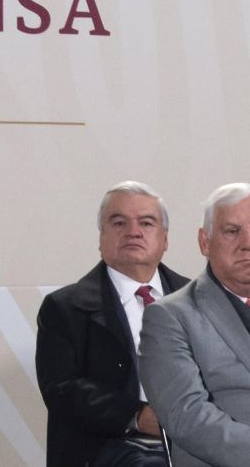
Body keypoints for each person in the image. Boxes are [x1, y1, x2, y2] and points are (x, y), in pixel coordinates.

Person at [36, 181, 190, 467]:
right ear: (101, 237)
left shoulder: (198, 301)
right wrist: (139, 416)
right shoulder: (65, 308)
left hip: (195, 441)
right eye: (119, 223)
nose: (133, 232)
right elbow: (62, 390)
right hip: (110, 447)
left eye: (146, 223)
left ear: (165, 238)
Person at [139, 182, 250, 467]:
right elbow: (187, 416)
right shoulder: (170, 317)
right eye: (232, 231)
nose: (247, 244)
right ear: (205, 241)